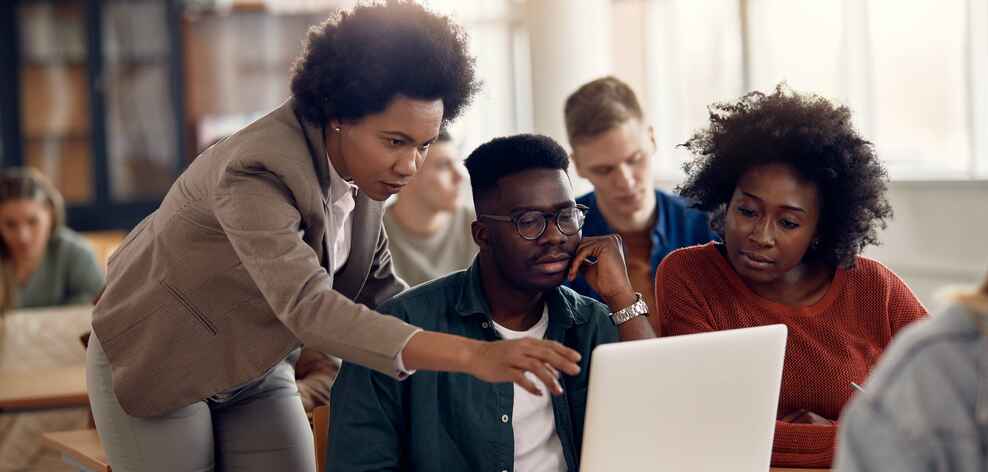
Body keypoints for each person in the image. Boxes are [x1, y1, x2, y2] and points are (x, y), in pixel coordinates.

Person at [85, 4, 581, 472]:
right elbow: (309, 307)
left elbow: (385, 295)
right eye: (395, 142)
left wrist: (495, 330)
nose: (410, 166)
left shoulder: (364, 177)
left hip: (255, 364)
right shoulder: (258, 169)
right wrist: (472, 356)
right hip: (163, 358)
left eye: (424, 145)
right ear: (337, 114)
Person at [327, 134, 656, 472]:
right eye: (529, 221)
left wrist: (621, 297)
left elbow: (657, 429)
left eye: (567, 216)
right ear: (482, 235)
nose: (556, 235)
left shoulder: (591, 324)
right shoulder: (399, 333)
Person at [655, 85, 927, 468]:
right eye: (747, 211)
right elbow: (712, 428)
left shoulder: (874, 288)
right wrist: (856, 433)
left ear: (820, 228)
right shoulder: (690, 276)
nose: (760, 236)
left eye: (787, 222)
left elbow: (944, 411)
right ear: (726, 201)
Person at [563, 76, 715, 334]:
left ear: (652, 138)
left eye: (635, 158)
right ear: (577, 165)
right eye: (604, 169)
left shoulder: (709, 224)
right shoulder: (561, 240)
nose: (625, 181)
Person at [835, 238, 988, 471]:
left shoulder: (875, 283)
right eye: (760, 213)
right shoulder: (935, 363)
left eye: (788, 223)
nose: (765, 238)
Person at [0, 167, 103, 312]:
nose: (23, 236)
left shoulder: (76, 253)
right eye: (10, 225)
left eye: (32, 222)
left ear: (51, 214)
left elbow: (103, 310)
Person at [383, 128, 477, 286]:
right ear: (405, 172)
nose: (460, 176)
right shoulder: (372, 236)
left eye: (458, 163)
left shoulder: (481, 227)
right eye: (444, 165)